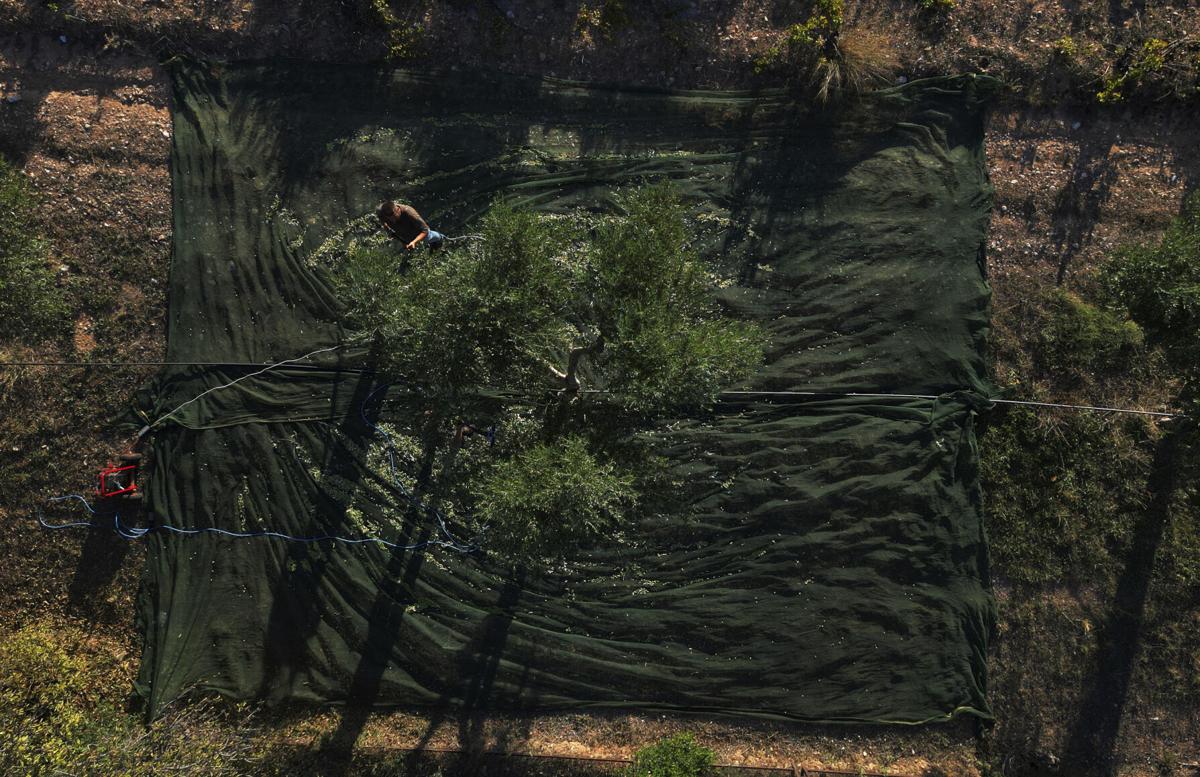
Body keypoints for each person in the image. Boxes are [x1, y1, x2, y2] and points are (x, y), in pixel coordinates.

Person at [376, 201, 445, 250]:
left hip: (422, 234)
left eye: (393, 216)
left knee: (433, 238)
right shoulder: (382, 214)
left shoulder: (409, 213)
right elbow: (383, 222)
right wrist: (388, 230)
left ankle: (441, 238)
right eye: (388, 218)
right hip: (406, 235)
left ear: (397, 210)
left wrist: (414, 242)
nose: (392, 220)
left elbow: (425, 230)